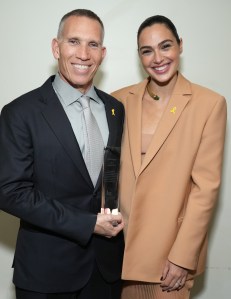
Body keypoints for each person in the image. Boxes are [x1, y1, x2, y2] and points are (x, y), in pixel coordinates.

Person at [0, 9, 125, 299]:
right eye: (73, 42)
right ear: (56, 47)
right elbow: (10, 191)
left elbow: (111, 179)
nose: (83, 54)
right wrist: (89, 224)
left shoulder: (115, 109)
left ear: (102, 53)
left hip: (105, 271)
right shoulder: (20, 113)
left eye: (93, 44)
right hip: (46, 273)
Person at [111, 15, 227, 299]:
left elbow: (205, 190)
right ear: (139, 56)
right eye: (147, 50)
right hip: (118, 253)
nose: (157, 58)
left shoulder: (209, 104)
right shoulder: (117, 100)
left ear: (180, 46)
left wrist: (182, 257)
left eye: (166, 46)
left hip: (168, 259)